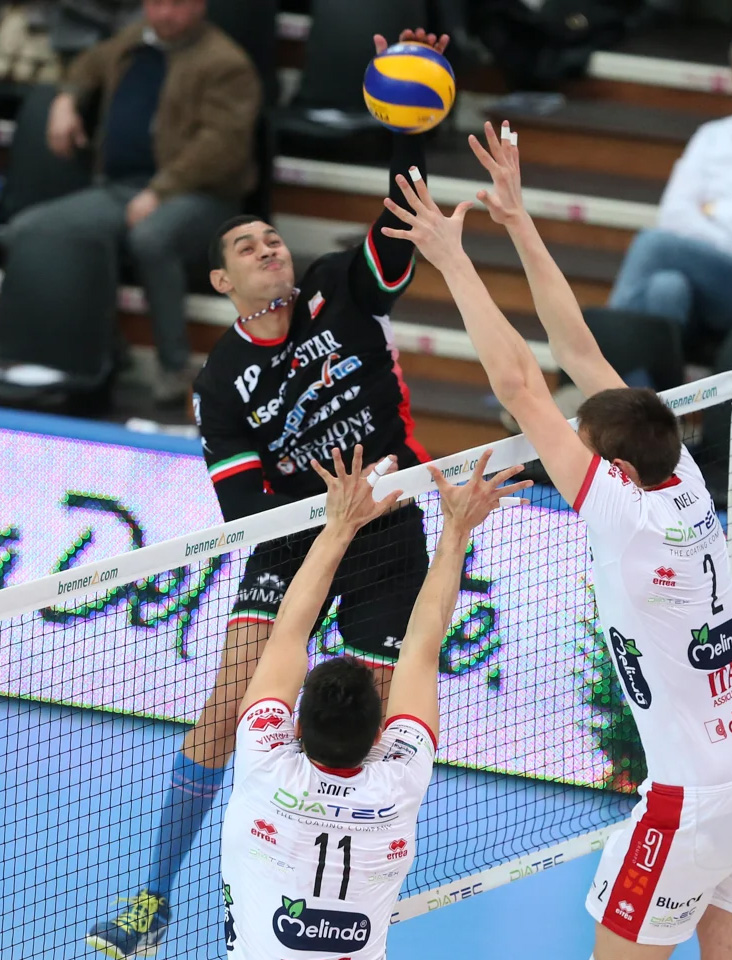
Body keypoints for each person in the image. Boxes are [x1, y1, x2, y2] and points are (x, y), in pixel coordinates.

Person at [380, 120, 732, 960]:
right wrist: (517, 219)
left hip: (693, 800)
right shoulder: (680, 473)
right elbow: (576, 351)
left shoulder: (624, 514)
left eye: (582, 442)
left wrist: (452, 257)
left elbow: (522, 384)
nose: (570, 441)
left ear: (614, 469)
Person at [87, 26, 447, 960]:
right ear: (224, 281)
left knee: (365, 724)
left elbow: (400, 227)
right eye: (247, 245)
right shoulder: (219, 382)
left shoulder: (339, 290)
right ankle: (152, 898)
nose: (267, 245)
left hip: (388, 533)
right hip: (294, 543)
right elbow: (245, 514)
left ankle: (338, 894)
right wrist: (327, 515)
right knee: (227, 711)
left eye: (270, 235)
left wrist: (408, 132)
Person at [220, 444, 529, 958]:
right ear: (380, 733)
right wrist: (456, 531)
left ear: (296, 728)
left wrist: (340, 524)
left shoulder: (265, 763)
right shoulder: (398, 778)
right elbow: (421, 650)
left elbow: (287, 632)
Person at [7, 0, 261, 404]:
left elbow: (221, 149)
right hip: (122, 188)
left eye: (177, 4)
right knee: (29, 229)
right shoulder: (133, 39)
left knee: (151, 237)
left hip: (203, 196)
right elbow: (87, 65)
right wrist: (65, 99)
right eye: (157, 2)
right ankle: (102, 349)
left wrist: (161, 190)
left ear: (200, 5)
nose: (165, 14)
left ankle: (175, 368)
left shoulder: (227, 64)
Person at [608, 25, 732, 337]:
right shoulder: (711, 136)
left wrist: (711, 211)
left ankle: (595, 357)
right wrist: (725, 239)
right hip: (709, 271)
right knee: (666, 288)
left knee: (653, 244)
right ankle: (653, 370)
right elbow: (673, 214)